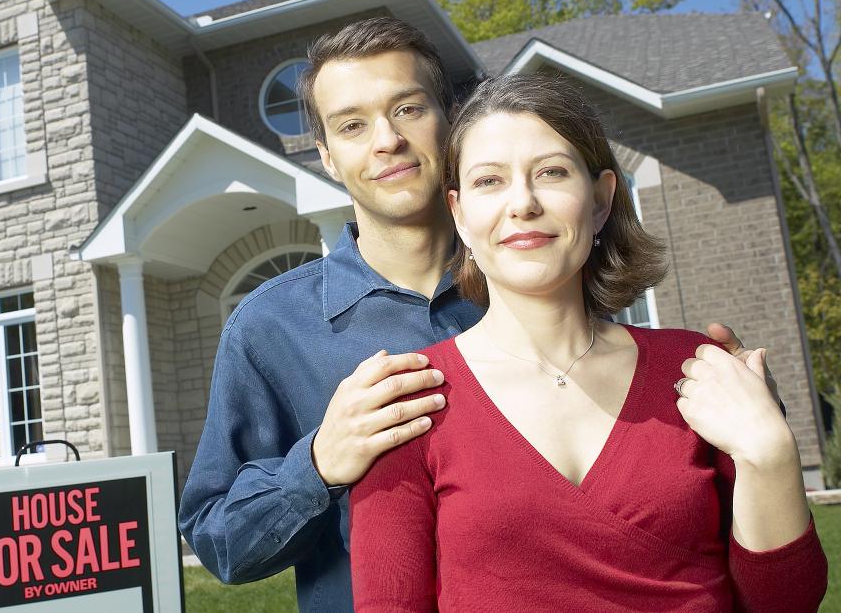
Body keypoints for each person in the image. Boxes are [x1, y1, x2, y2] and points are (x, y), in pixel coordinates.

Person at [178, 17, 769, 612]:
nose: (386, 140)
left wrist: (738, 407)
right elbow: (216, 540)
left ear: (450, 119)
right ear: (328, 157)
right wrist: (318, 464)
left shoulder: (541, 262)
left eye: (407, 109)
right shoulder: (268, 328)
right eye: (352, 126)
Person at [348, 73, 827, 612]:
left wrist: (770, 453)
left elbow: (786, 601)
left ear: (600, 201)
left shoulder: (698, 373)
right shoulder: (407, 400)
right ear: (459, 214)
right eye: (489, 182)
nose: (523, 203)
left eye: (551, 172)